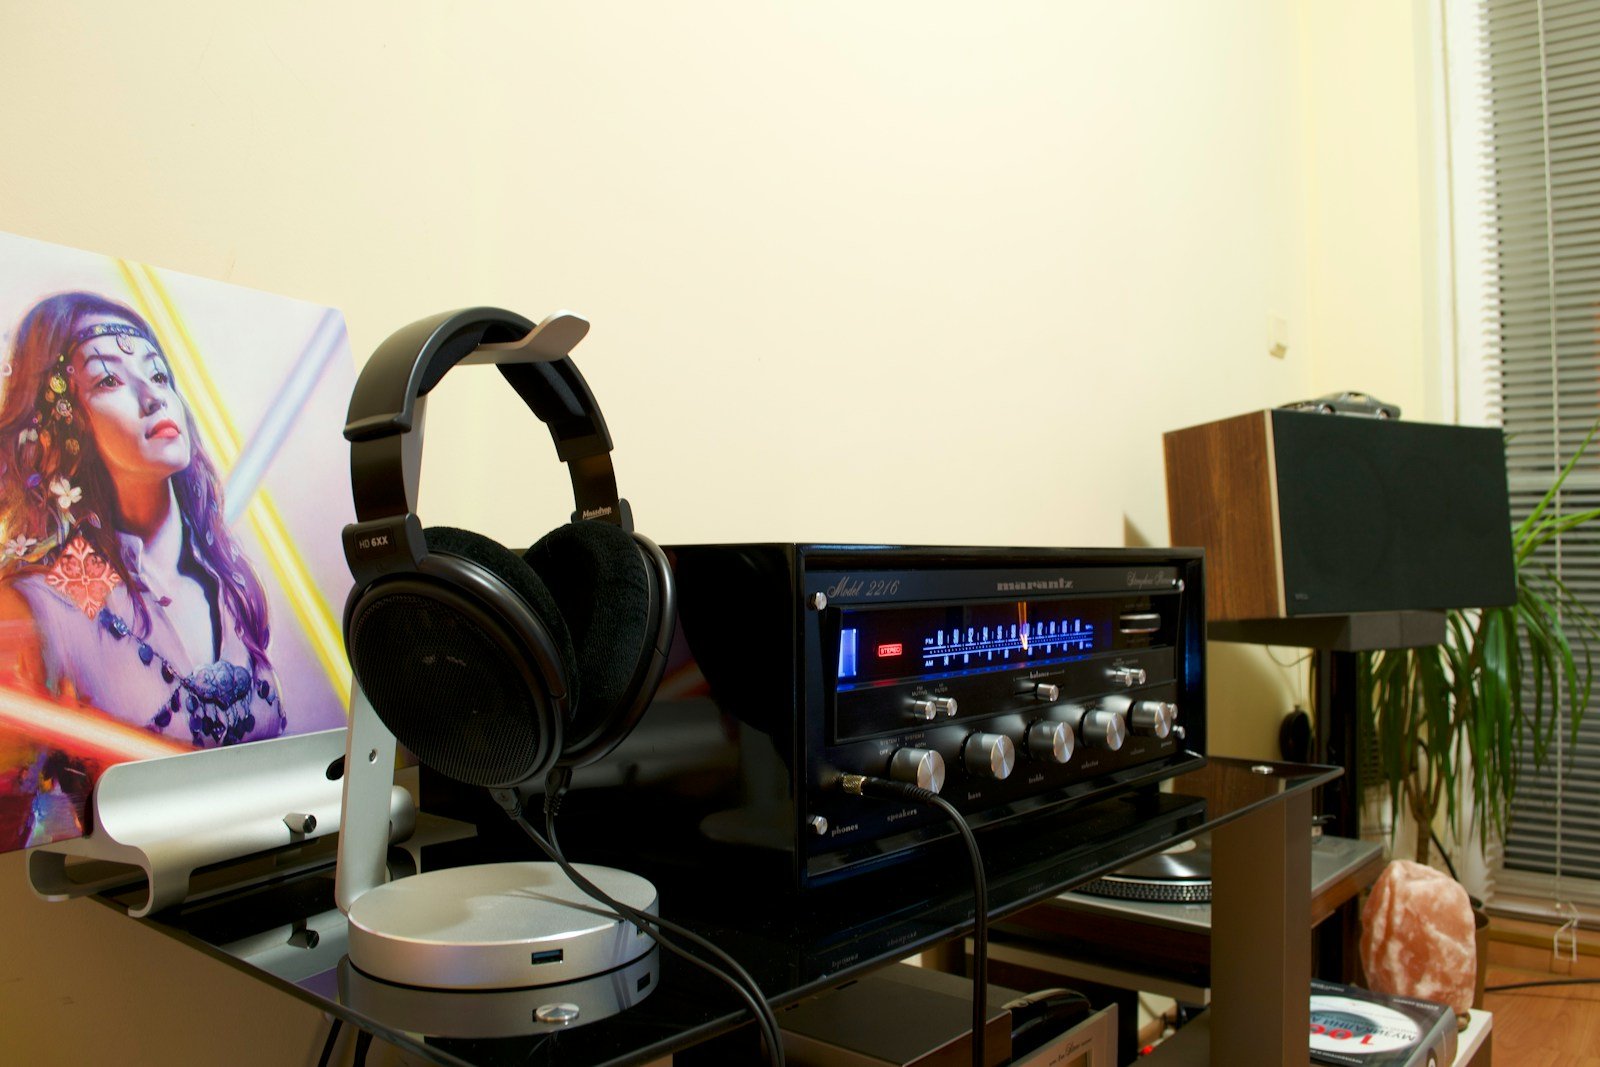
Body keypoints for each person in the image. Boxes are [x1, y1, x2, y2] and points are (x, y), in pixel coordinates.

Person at [0, 292, 284, 749]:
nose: (153, 398)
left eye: (158, 375)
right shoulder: (57, 596)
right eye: (109, 380)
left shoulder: (225, 577)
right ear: (65, 425)